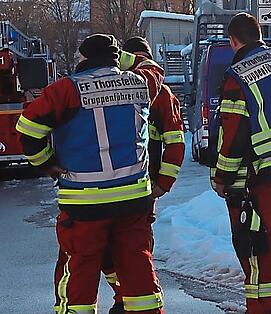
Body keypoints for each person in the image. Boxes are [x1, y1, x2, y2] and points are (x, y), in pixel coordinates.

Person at [17, 34, 166, 314]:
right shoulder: (141, 81)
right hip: (133, 197)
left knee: (80, 269)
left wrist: (46, 164)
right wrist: (121, 58)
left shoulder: (66, 90)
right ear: (116, 58)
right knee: (137, 264)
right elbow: (152, 66)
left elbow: (27, 129)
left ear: (83, 58)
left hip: (84, 200)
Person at [212, 13, 271, 314]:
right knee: (270, 242)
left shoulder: (237, 74)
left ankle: (261, 309)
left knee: (254, 247)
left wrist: (222, 176)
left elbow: (233, 131)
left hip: (250, 176)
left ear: (234, 40)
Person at [100, 37, 185, 314]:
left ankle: (128, 297)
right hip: (134, 181)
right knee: (130, 244)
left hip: (137, 182)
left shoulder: (157, 92)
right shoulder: (130, 88)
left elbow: (174, 139)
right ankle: (126, 295)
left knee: (129, 244)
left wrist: (163, 182)